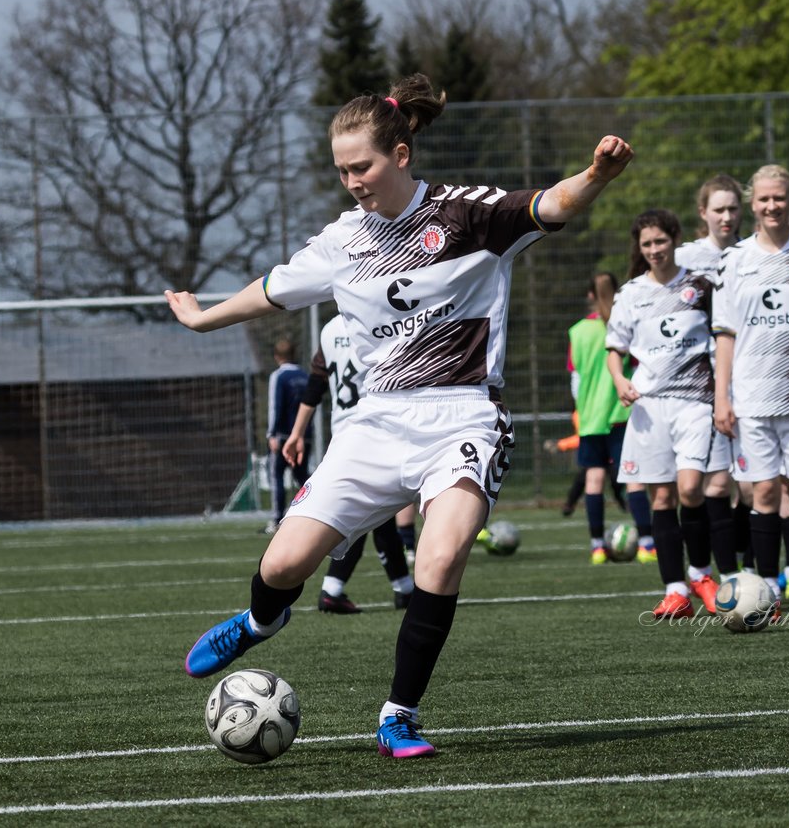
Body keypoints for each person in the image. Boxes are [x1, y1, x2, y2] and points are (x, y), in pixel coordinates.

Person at [166, 73, 635, 758]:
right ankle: (261, 623)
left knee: (439, 561)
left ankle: (400, 715)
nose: (352, 180)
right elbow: (272, 290)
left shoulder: (465, 214)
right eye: (342, 170)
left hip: (464, 417)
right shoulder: (342, 240)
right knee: (282, 564)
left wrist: (597, 174)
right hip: (375, 424)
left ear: (402, 155)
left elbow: (551, 204)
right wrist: (204, 320)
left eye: (364, 166)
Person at [712, 164, 789, 623]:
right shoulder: (733, 260)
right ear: (753, 203)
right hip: (749, 398)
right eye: (764, 199)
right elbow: (724, 334)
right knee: (763, 493)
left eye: (779, 198)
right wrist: (721, 398)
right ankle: (765, 594)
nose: (772, 206)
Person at [607, 209, 732, 618]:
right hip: (649, 407)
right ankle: (676, 590)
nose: (654, 250)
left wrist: (723, 397)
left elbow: (722, 340)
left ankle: (701, 574)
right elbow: (615, 350)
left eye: (660, 241)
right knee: (661, 496)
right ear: (639, 249)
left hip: (695, 401)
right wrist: (619, 380)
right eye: (647, 244)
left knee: (692, 489)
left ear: (675, 239)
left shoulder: (701, 286)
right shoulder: (630, 294)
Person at [283, 313, 416, 613]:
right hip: (375, 428)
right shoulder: (379, 319)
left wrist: (296, 433)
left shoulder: (329, 330)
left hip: (342, 433)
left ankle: (402, 588)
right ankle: (336, 589)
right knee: (368, 515)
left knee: (378, 515)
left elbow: (315, 387)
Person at [676, 174, 752, 572]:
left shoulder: (755, 253)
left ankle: (748, 562)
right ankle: (705, 570)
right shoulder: (684, 258)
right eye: (719, 209)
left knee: (755, 487)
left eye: (733, 208)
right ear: (703, 212)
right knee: (715, 483)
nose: (727, 216)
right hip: (703, 383)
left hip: (754, 377)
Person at [568, 271, 631, 564]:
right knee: (635, 480)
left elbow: (576, 378)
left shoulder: (578, 330)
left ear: (591, 295)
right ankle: (646, 544)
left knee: (593, 480)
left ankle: (596, 547)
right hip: (622, 411)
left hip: (591, 416)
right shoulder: (624, 324)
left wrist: (582, 406)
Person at [265, 338, 309, 535]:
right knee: (303, 478)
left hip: (284, 437)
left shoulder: (279, 377)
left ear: (277, 356)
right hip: (303, 436)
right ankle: (311, 514)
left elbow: (276, 406)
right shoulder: (305, 376)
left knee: (277, 477)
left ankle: (277, 519)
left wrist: (272, 433)